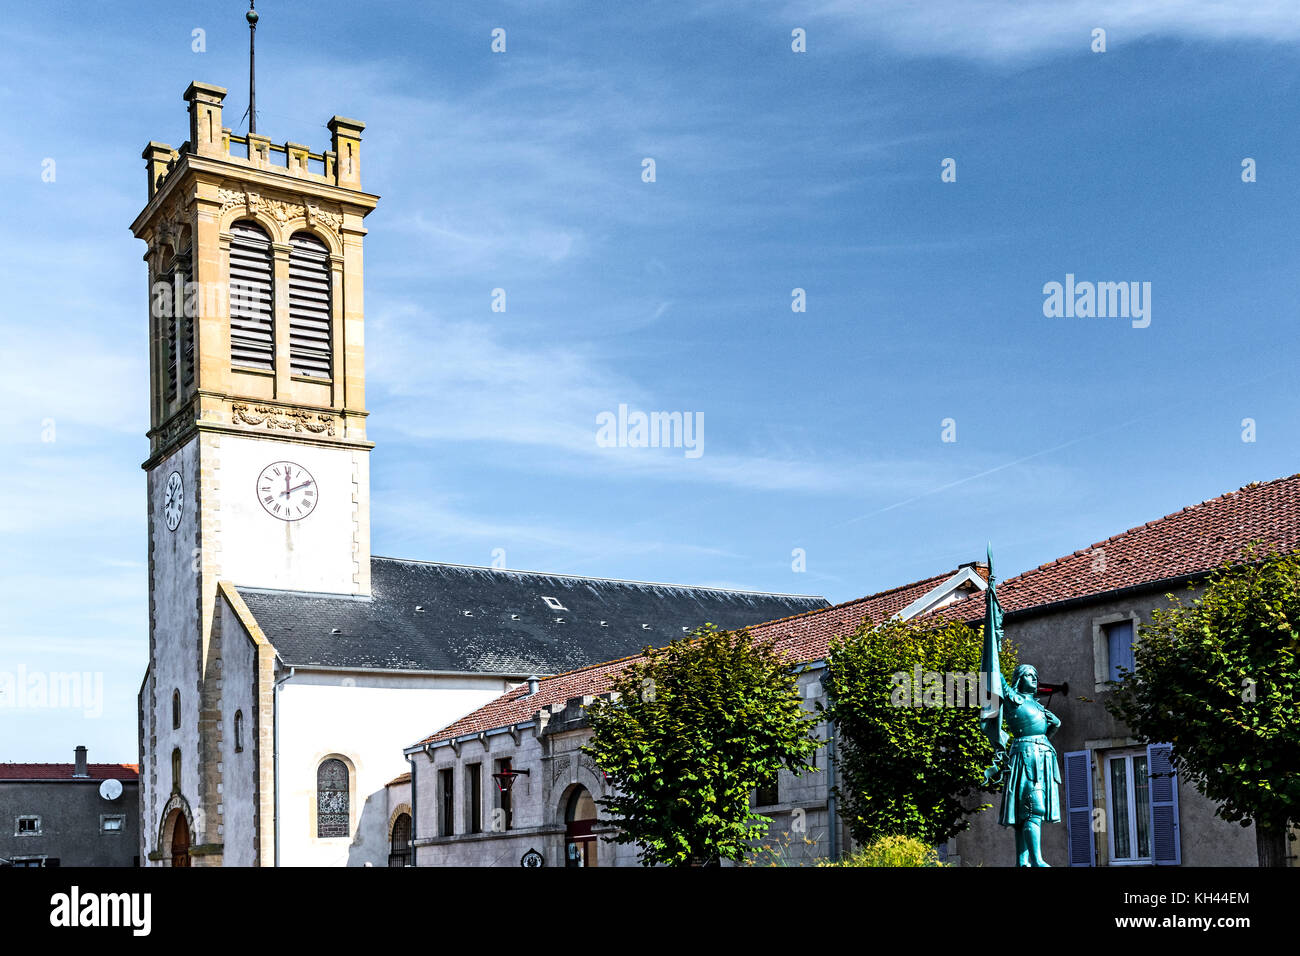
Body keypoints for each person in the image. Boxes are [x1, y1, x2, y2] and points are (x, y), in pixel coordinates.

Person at [991, 663, 1061, 867]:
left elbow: (1043, 735)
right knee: (1034, 808)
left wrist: (1054, 726)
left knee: (1025, 815)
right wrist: (993, 640)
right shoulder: (1014, 699)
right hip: (1026, 757)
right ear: (1019, 679)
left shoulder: (1038, 705)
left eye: (1035, 676)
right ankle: (1037, 860)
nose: (1033, 679)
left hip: (1043, 757)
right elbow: (996, 676)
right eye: (1028, 675)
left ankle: (1022, 861)